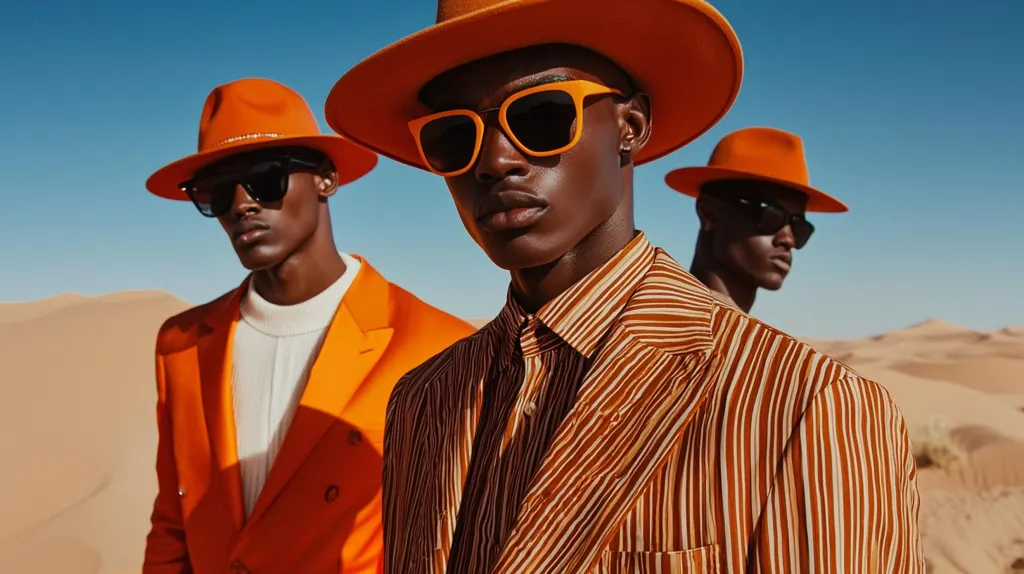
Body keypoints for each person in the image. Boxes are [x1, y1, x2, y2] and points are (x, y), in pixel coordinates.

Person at [325, 0, 925, 572]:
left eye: (540, 115)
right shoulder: (422, 402)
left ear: (631, 125)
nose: (495, 160)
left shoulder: (804, 407)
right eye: (454, 137)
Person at [141, 78, 475, 574]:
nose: (240, 205)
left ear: (326, 179)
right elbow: (174, 522)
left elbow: (450, 542)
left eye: (264, 178)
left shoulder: (439, 347)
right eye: (214, 192)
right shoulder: (180, 345)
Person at [665, 126, 849, 313]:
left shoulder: (743, 338)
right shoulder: (661, 331)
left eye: (799, 226)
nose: (788, 240)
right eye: (771, 215)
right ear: (709, 213)